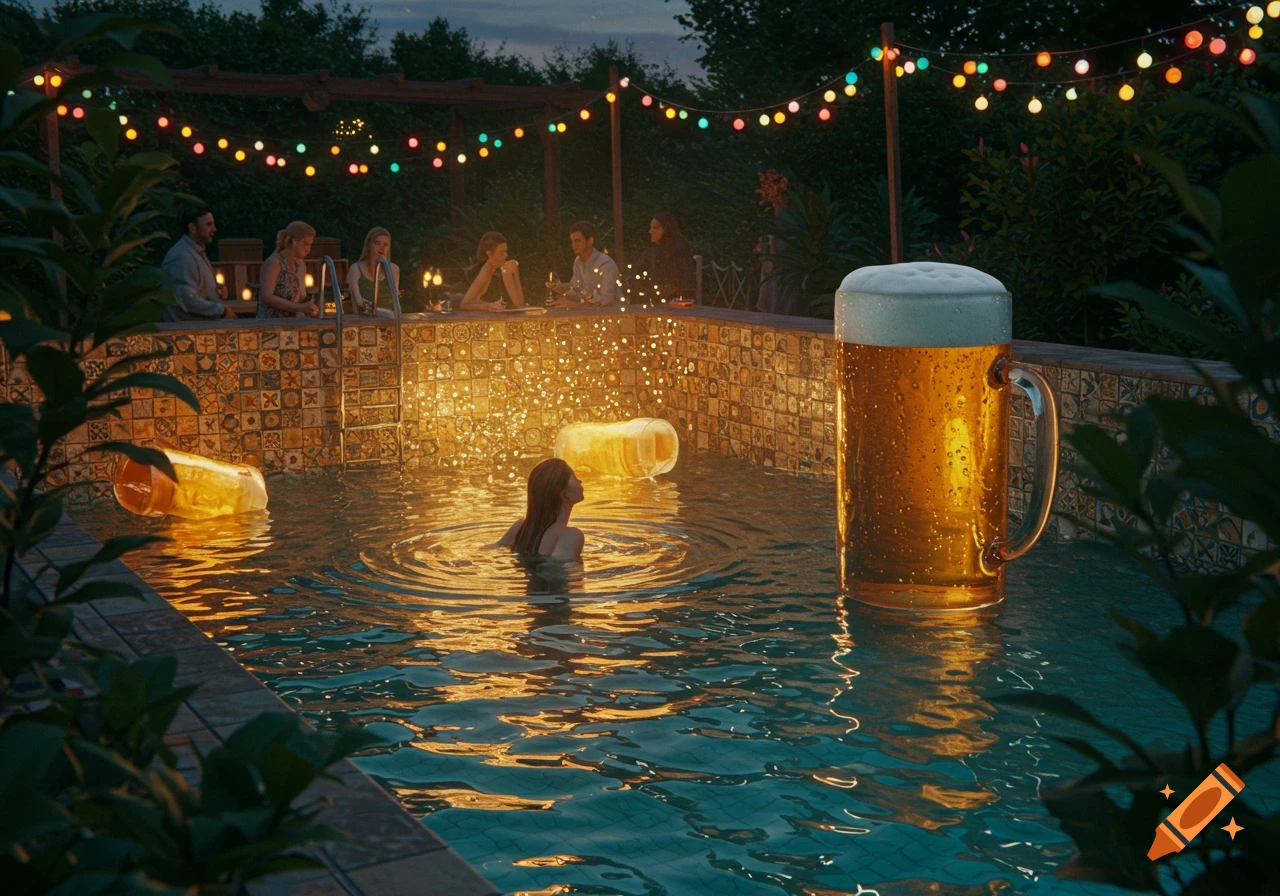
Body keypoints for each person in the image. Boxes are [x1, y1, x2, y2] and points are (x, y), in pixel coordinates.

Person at [495, 458, 585, 560]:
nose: (579, 480)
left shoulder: (521, 527)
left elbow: (492, 549)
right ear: (564, 494)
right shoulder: (571, 535)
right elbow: (561, 571)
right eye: (574, 477)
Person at [161, 205, 237, 322]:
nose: (214, 229)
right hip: (186, 331)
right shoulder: (182, 257)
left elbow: (196, 285)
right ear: (192, 227)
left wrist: (217, 288)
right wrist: (222, 310)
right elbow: (187, 299)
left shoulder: (196, 252)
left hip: (198, 326)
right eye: (208, 224)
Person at [548, 220, 620, 307]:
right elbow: (576, 290)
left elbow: (605, 302)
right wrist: (560, 288)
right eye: (572, 241)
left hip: (613, 316)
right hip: (589, 316)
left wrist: (572, 304)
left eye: (577, 241)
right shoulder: (578, 261)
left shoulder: (605, 264)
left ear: (590, 241)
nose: (574, 245)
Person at [257, 221, 318, 319]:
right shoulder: (274, 262)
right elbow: (267, 297)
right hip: (270, 323)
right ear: (292, 241)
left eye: (310, 244)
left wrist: (308, 308)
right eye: (305, 244)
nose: (308, 249)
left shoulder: (299, 264)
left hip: (291, 323)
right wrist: (300, 308)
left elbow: (299, 297)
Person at [634, 211, 696, 302]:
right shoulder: (651, 254)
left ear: (666, 229)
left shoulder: (680, 252)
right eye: (651, 227)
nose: (650, 231)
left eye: (655, 228)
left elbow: (685, 282)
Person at [461, 231, 525, 312]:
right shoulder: (486, 270)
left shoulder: (501, 268)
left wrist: (514, 273)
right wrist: (489, 306)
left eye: (506, 252)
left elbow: (520, 304)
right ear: (490, 254)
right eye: (502, 252)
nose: (506, 255)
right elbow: (465, 304)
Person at [348, 226, 401, 313]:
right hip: (366, 321)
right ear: (369, 244)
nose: (382, 247)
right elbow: (358, 300)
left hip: (390, 320)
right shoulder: (356, 269)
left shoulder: (393, 269)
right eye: (377, 243)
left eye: (385, 244)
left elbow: (395, 300)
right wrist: (377, 310)